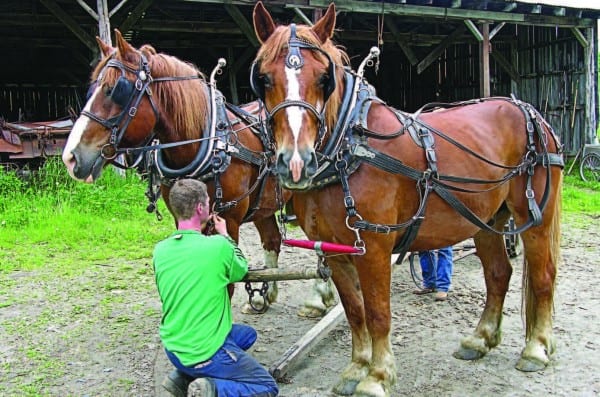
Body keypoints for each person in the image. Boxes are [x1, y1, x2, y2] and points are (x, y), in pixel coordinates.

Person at [153, 179, 279, 397]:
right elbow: (241, 269)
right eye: (209, 201)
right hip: (205, 352)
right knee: (266, 387)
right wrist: (225, 235)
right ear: (201, 208)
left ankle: (181, 377)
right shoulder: (219, 246)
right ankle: (211, 389)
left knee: (247, 335)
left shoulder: (160, 250)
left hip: (173, 348)